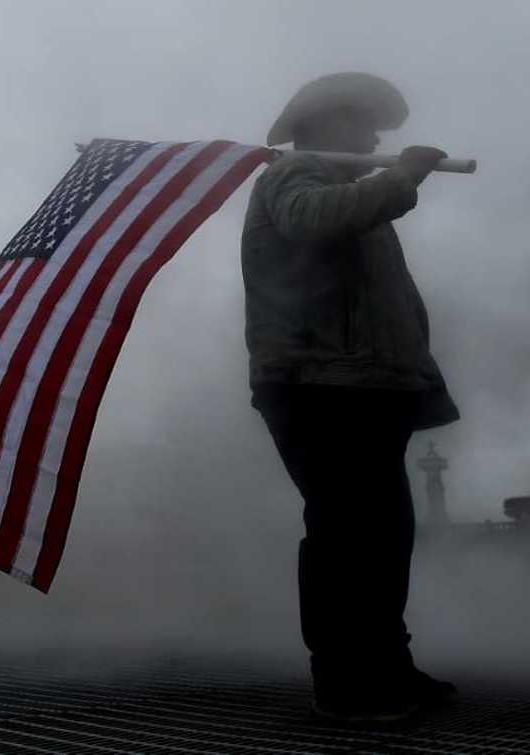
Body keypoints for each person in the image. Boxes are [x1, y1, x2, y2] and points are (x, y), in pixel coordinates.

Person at [243, 72, 460, 723]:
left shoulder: (351, 190)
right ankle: (344, 680)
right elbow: (311, 224)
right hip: (317, 386)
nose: (372, 138)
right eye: (362, 124)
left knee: (385, 535)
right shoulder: (296, 176)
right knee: (344, 534)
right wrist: (402, 179)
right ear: (325, 123)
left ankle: (387, 665)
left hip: (368, 387)